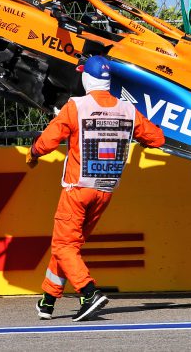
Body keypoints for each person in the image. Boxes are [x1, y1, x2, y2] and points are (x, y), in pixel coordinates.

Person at [27, 55, 165, 322]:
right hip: (105, 190)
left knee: (65, 245)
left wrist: (33, 153)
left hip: (78, 188)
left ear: (85, 78)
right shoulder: (126, 109)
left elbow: (48, 141)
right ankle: (47, 301)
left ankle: (89, 293)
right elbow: (157, 138)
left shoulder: (76, 106)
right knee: (69, 247)